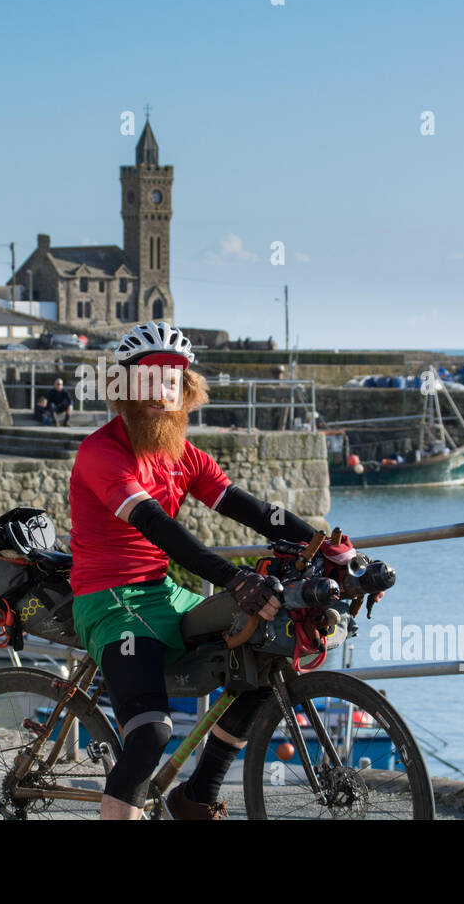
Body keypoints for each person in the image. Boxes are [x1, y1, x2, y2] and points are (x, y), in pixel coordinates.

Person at [68, 321, 374, 820]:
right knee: (150, 735)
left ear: (184, 392)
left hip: (162, 594)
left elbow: (252, 509)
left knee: (271, 654)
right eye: (145, 380)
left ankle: (197, 794)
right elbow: (157, 527)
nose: (158, 394)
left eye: (170, 382)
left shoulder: (181, 454)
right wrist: (235, 578)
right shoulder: (101, 452)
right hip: (108, 601)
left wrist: (334, 550)